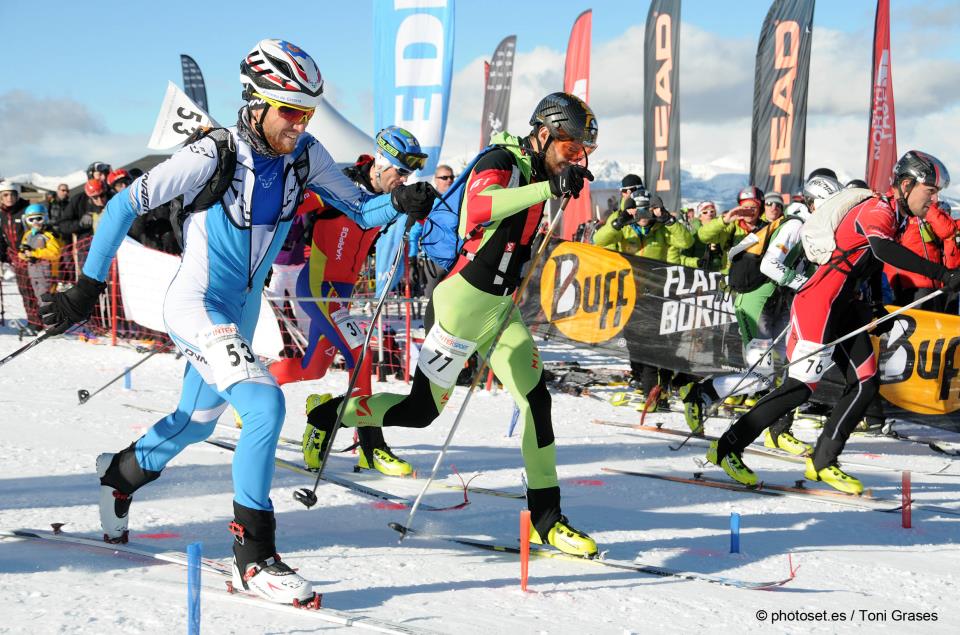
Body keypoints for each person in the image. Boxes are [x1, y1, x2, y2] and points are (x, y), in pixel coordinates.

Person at [38, 38, 435, 606]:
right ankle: (254, 559)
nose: (299, 124)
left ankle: (119, 478)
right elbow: (125, 206)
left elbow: (357, 207)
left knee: (195, 421)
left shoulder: (306, 154)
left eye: (307, 113)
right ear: (255, 103)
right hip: (198, 305)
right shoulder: (212, 153)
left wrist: (399, 204)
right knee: (265, 404)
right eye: (289, 111)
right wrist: (86, 287)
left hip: (241, 312)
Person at [303, 92, 599, 557]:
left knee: (536, 401)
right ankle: (326, 414)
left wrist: (554, 185)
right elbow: (478, 209)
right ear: (543, 134)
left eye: (582, 152)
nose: (574, 158)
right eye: (570, 148)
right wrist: (548, 189)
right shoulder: (501, 159)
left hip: (503, 309)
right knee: (420, 412)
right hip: (461, 303)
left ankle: (547, 518)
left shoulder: (546, 173)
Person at [707, 151, 960, 494]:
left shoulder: (899, 218)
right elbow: (883, 251)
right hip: (820, 303)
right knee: (799, 388)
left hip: (846, 306)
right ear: (906, 185)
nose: (934, 198)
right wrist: (941, 274)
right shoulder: (878, 210)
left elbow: (868, 266)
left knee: (865, 383)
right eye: (930, 191)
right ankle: (727, 447)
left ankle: (823, 460)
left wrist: (873, 309)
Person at [270, 126, 429, 477]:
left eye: (408, 174)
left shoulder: (390, 198)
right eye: (399, 171)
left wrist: (419, 208)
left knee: (313, 367)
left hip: (341, 291)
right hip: (317, 287)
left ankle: (260, 383)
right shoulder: (339, 186)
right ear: (380, 162)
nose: (403, 180)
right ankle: (371, 448)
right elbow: (285, 209)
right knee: (361, 355)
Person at [680, 174, 843, 450]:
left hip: (776, 303)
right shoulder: (795, 225)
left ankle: (777, 429)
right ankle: (700, 394)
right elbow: (770, 266)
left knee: (788, 369)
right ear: (816, 203)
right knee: (761, 376)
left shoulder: (812, 227)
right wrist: (805, 284)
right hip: (756, 302)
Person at [18, 204, 62, 299]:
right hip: (33, 272)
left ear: (45, 218)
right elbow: (21, 251)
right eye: (31, 220)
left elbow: (55, 253)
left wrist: (35, 253)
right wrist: (24, 254)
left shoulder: (48, 235)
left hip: (47, 272)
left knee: (46, 299)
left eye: (38, 219)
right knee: (39, 297)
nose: (35, 222)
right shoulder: (28, 235)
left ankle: (50, 313)